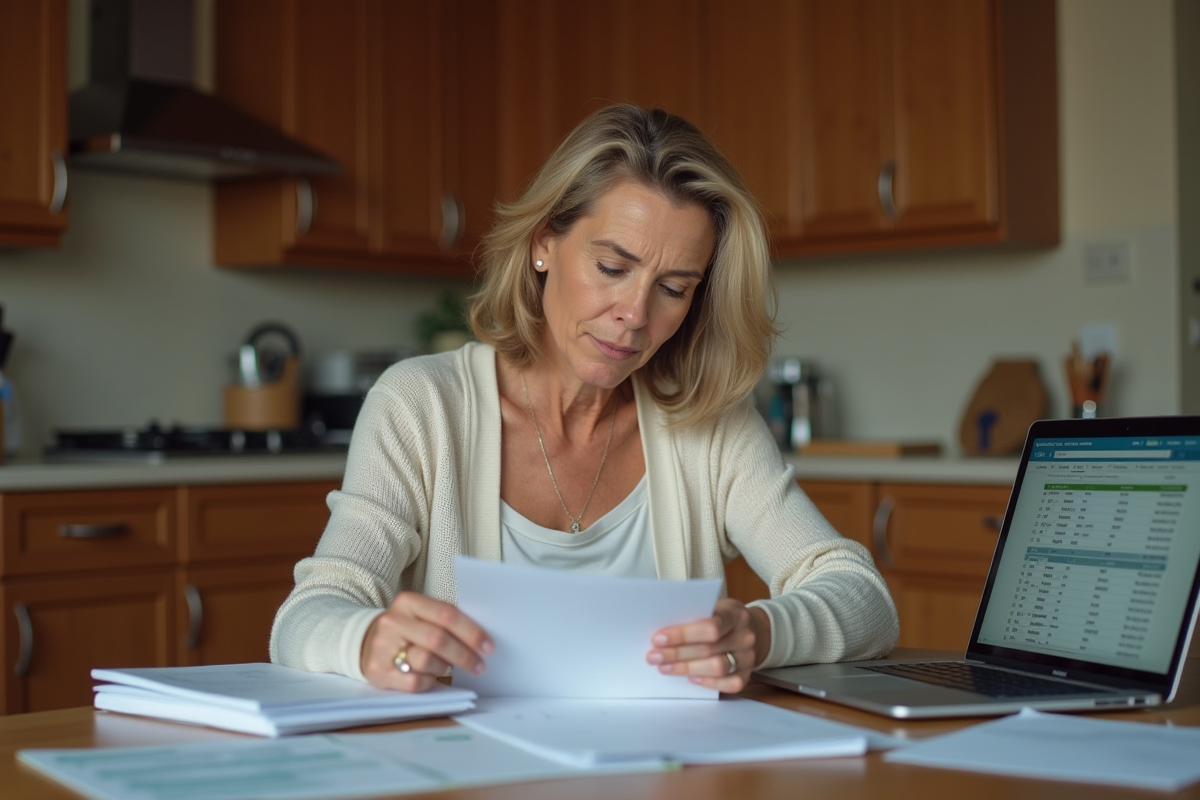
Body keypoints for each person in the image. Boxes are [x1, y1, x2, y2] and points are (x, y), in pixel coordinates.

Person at [270, 104, 898, 694]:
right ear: (544, 243)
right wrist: (368, 640)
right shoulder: (421, 406)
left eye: (674, 288)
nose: (633, 315)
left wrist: (759, 633)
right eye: (611, 267)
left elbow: (861, 597)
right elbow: (310, 613)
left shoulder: (708, 424)